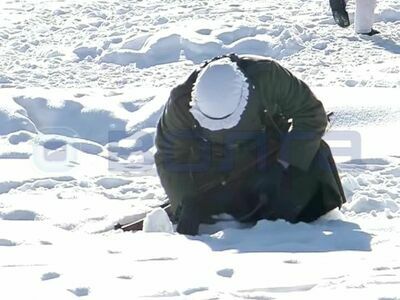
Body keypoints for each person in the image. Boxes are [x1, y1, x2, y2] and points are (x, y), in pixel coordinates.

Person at [154, 54, 346, 235]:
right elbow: (169, 154)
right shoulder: (180, 102)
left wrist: (287, 164)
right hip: (215, 170)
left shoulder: (268, 76)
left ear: (245, 97)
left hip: (271, 156)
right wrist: (184, 201)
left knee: (314, 165)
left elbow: (311, 114)